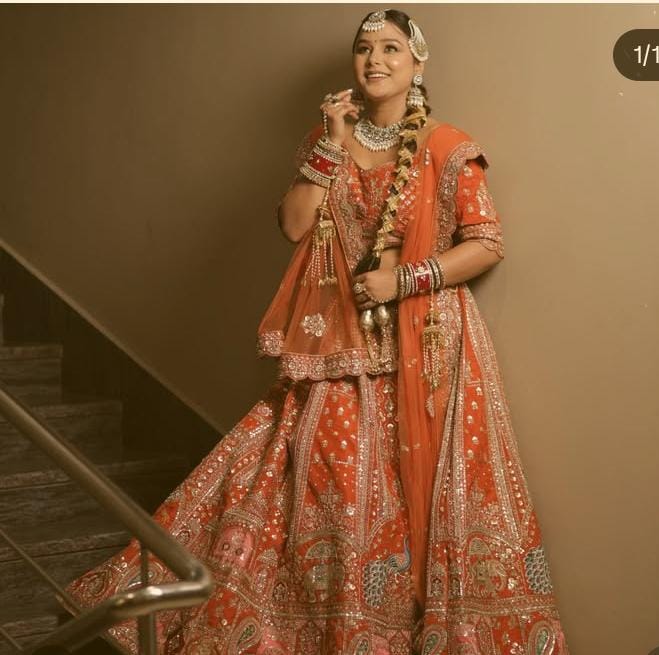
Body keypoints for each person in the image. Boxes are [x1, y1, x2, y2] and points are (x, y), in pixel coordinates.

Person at [63, 9, 571, 654]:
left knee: (432, 498)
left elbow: (487, 242)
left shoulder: (447, 148)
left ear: (418, 63)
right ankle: (337, 631)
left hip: (429, 344)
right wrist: (331, 141)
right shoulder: (326, 139)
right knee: (325, 486)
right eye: (364, 49)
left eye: (391, 48)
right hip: (339, 344)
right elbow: (295, 226)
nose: (375, 60)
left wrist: (404, 279)